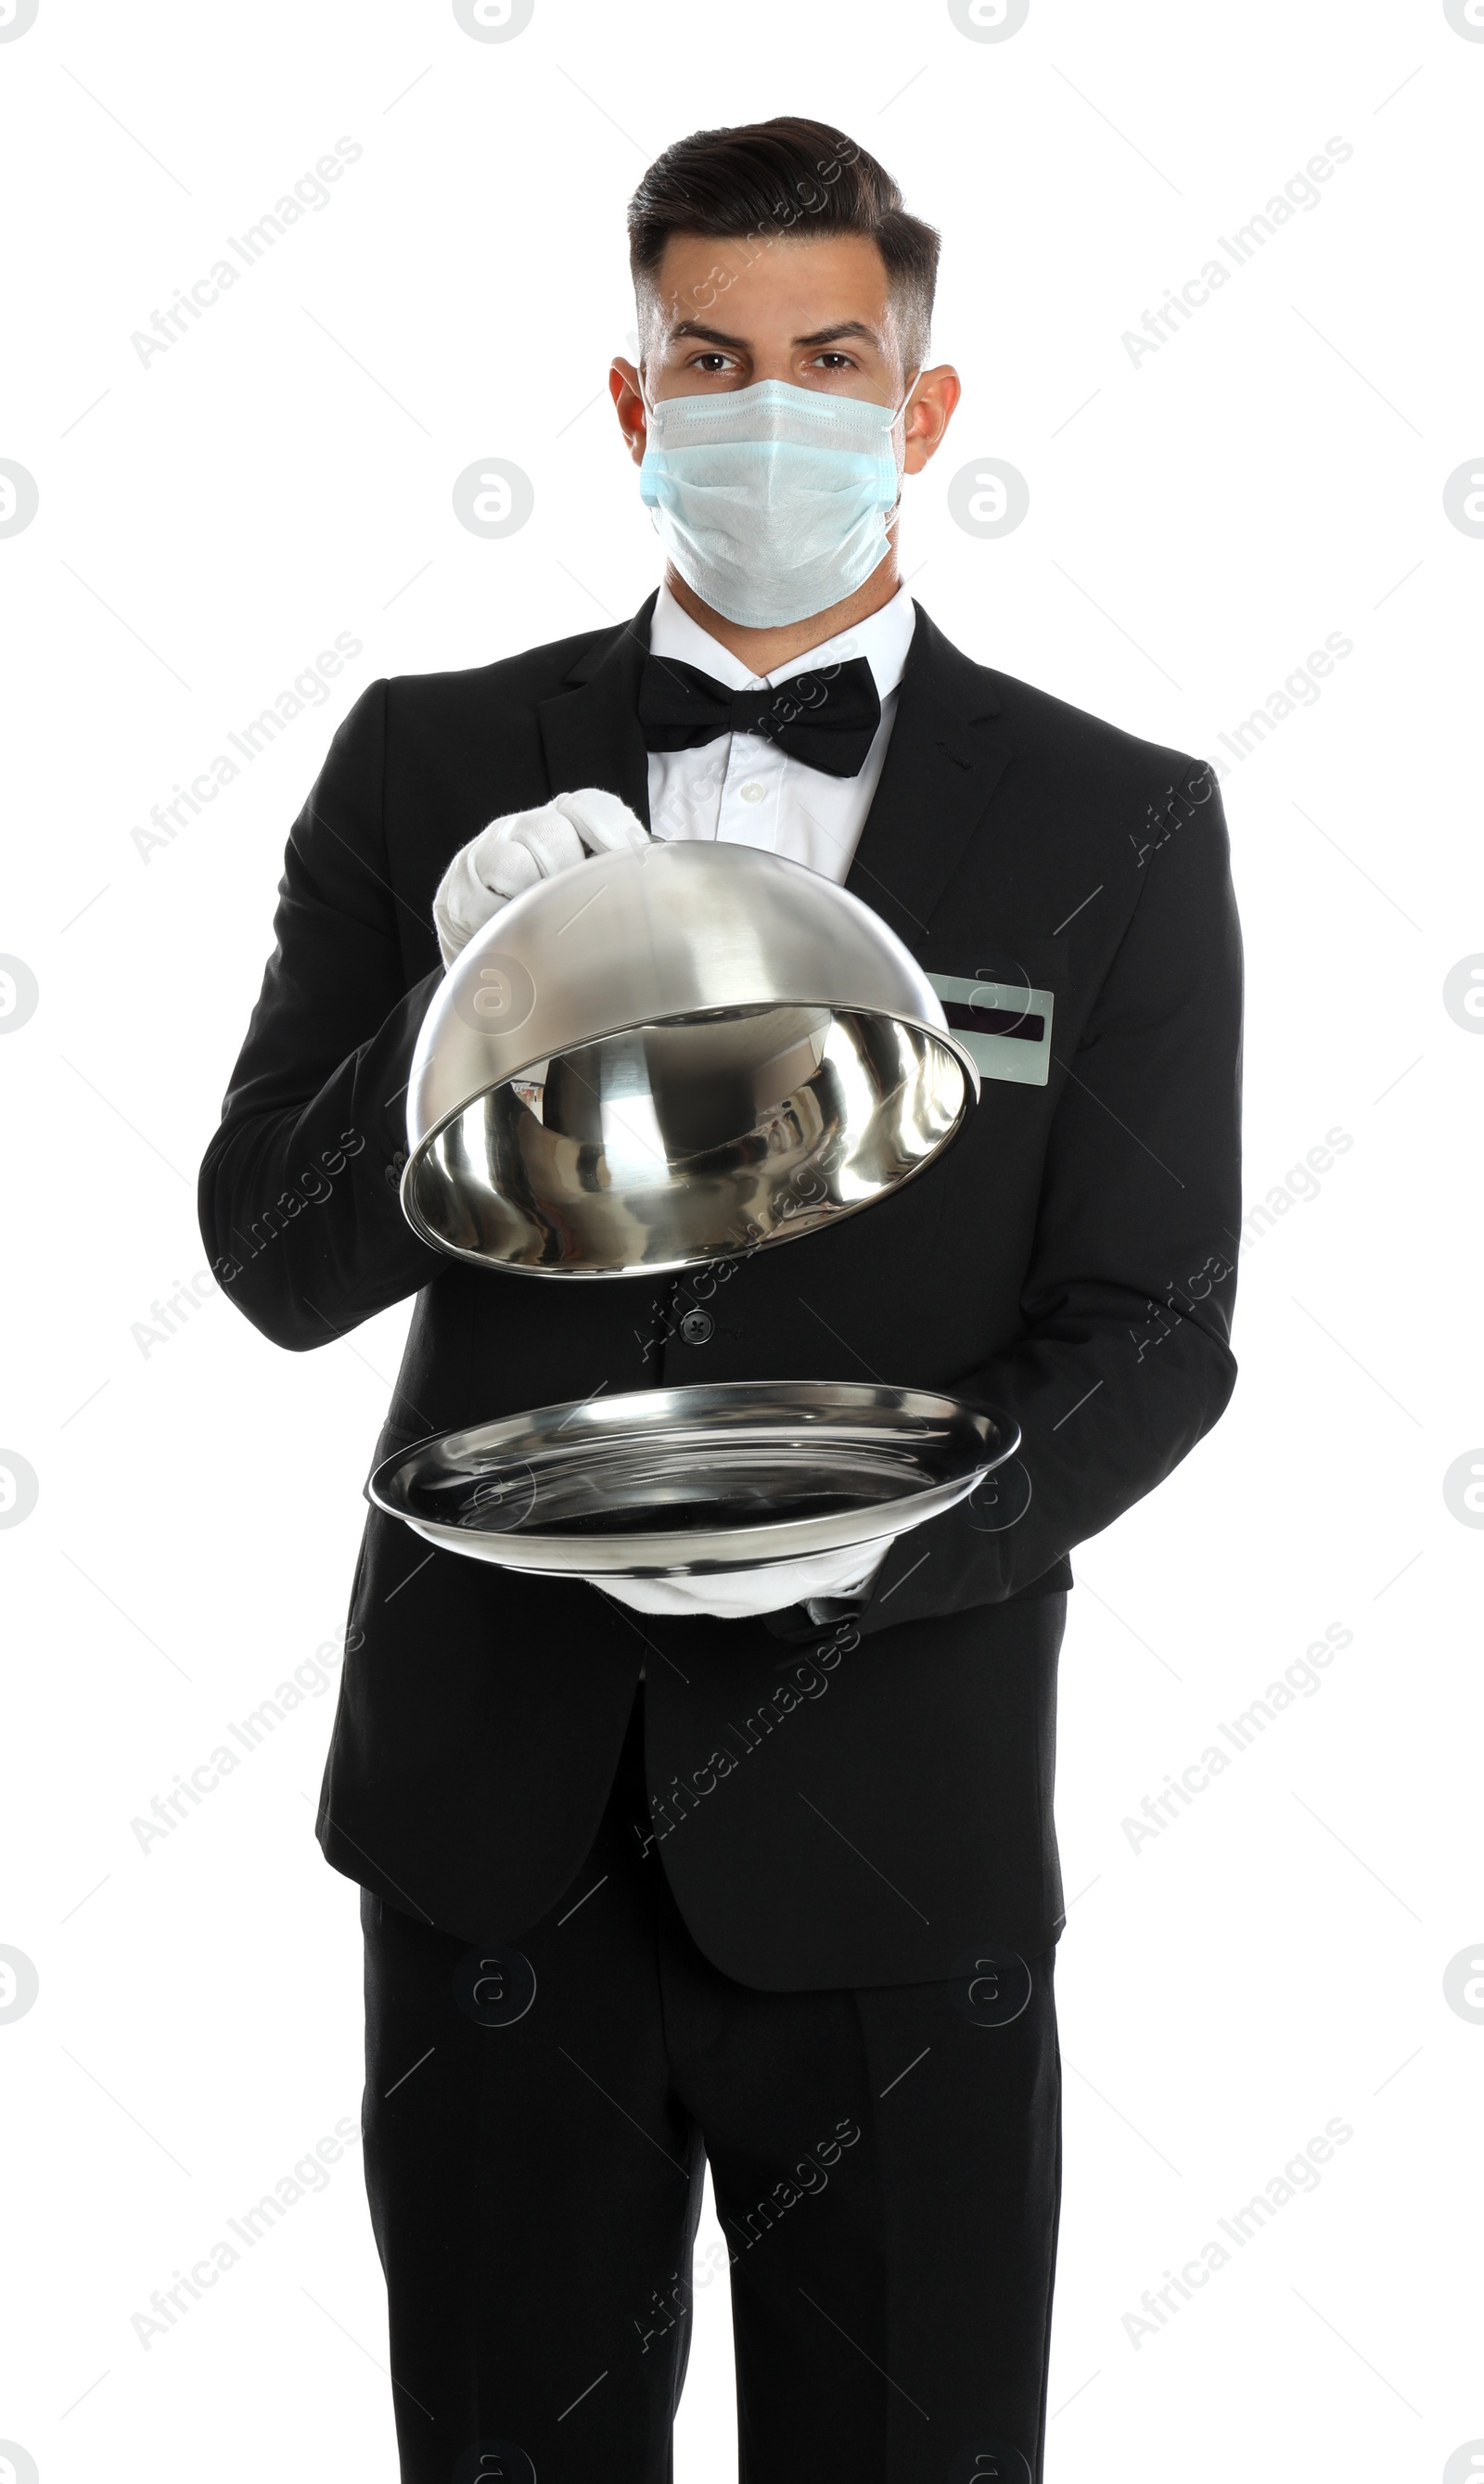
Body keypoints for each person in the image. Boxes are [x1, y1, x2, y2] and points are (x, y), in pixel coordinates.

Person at [198, 115, 1242, 2484]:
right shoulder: (430, 756)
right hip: (493, 1824)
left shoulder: (1121, 821)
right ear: (631, 398)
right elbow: (270, 1265)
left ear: (923, 407)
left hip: (904, 1837)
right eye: (711, 355)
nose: (769, 402)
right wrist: (457, 986)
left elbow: (1154, 1327)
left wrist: (899, 1536)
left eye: (829, 356)